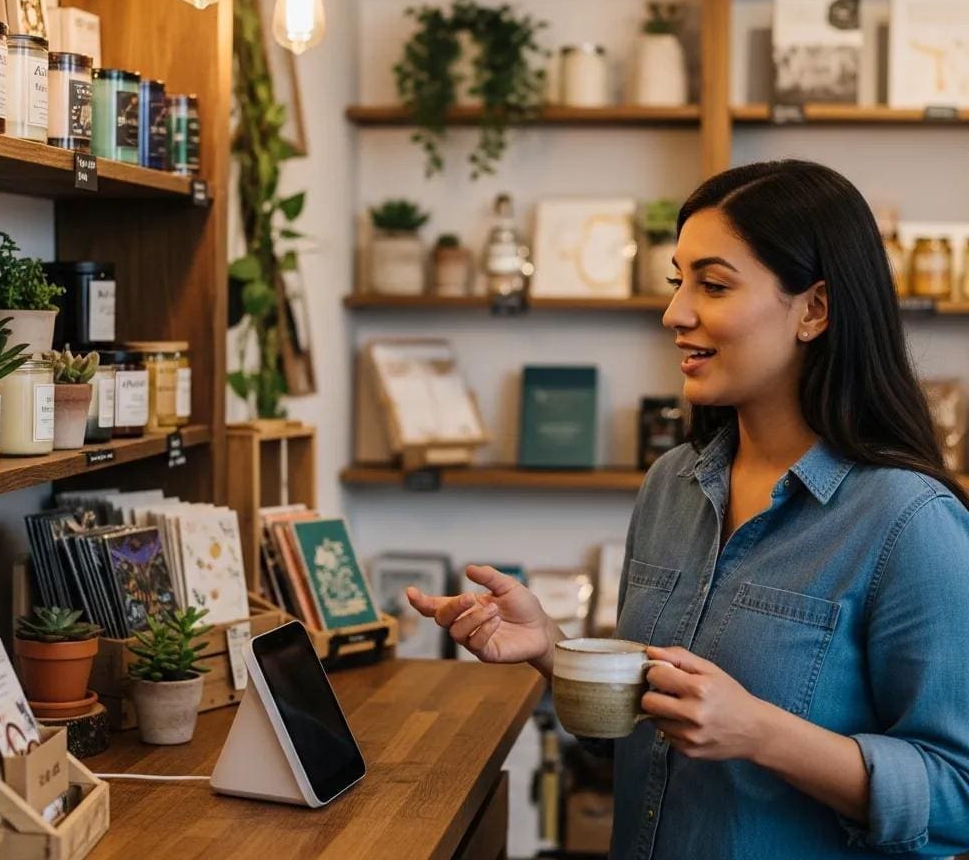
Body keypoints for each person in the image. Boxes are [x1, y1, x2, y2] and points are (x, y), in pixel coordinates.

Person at [407, 160, 969, 859]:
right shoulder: (672, 484)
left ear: (814, 310)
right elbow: (662, 720)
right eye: (680, 281)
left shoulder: (911, 523)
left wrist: (761, 732)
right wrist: (553, 652)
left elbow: (958, 796)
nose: (675, 313)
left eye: (714, 284)